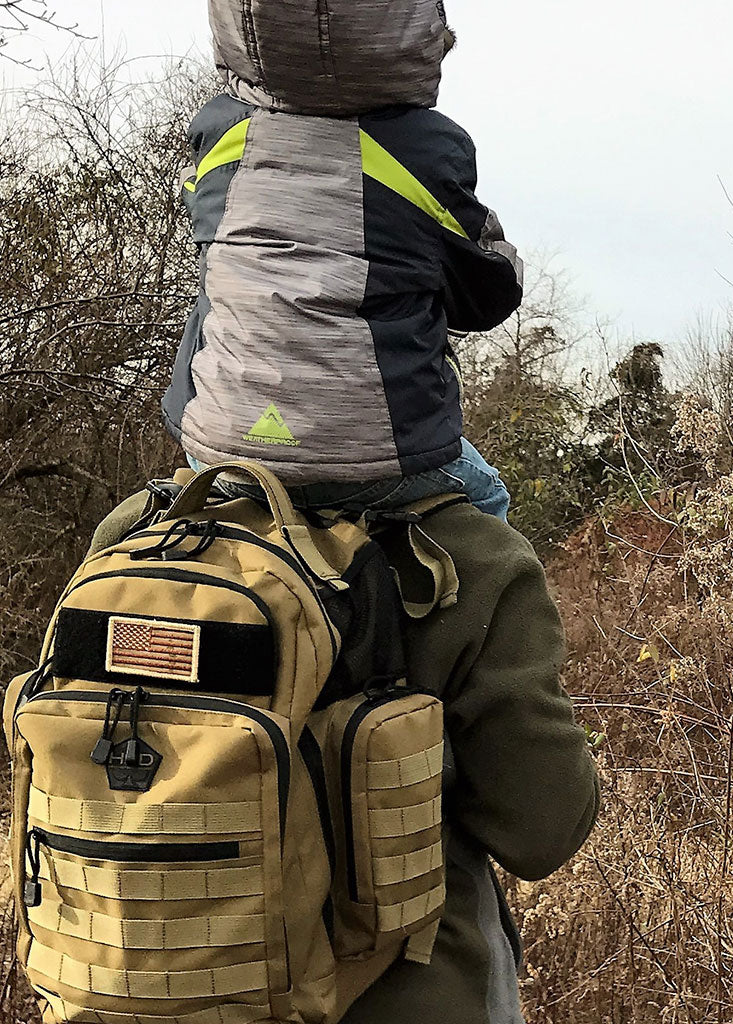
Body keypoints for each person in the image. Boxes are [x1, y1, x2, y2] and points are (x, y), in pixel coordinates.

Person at [87, 479, 601, 1024]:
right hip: (417, 996)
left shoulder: (145, 527)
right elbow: (543, 831)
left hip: (141, 987)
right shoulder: (469, 551)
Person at [161, 0, 522, 521]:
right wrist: (499, 255)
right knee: (487, 497)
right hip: (376, 459)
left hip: (220, 446)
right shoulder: (424, 149)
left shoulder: (219, 133)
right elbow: (486, 297)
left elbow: (203, 224)